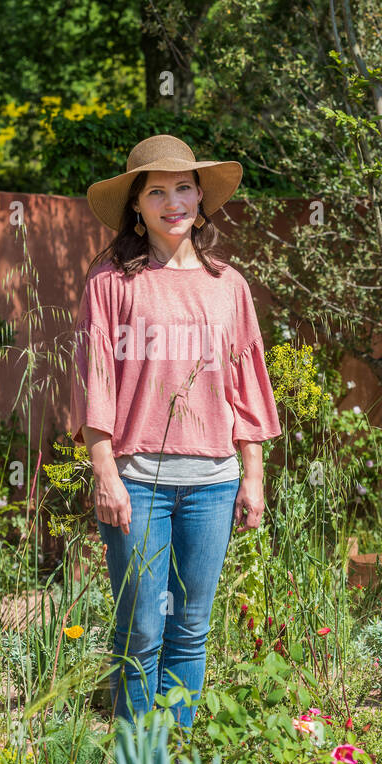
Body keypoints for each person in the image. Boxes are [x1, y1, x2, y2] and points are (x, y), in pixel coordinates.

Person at [69, 134, 282, 727]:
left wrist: (252, 476)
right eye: (156, 191)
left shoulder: (228, 286)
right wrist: (105, 474)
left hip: (214, 483)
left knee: (191, 628)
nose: (173, 202)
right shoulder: (111, 283)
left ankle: (177, 750)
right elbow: (97, 384)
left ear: (200, 199)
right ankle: (139, 756)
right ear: (136, 206)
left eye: (183, 188)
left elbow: (247, 385)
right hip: (137, 485)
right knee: (140, 629)